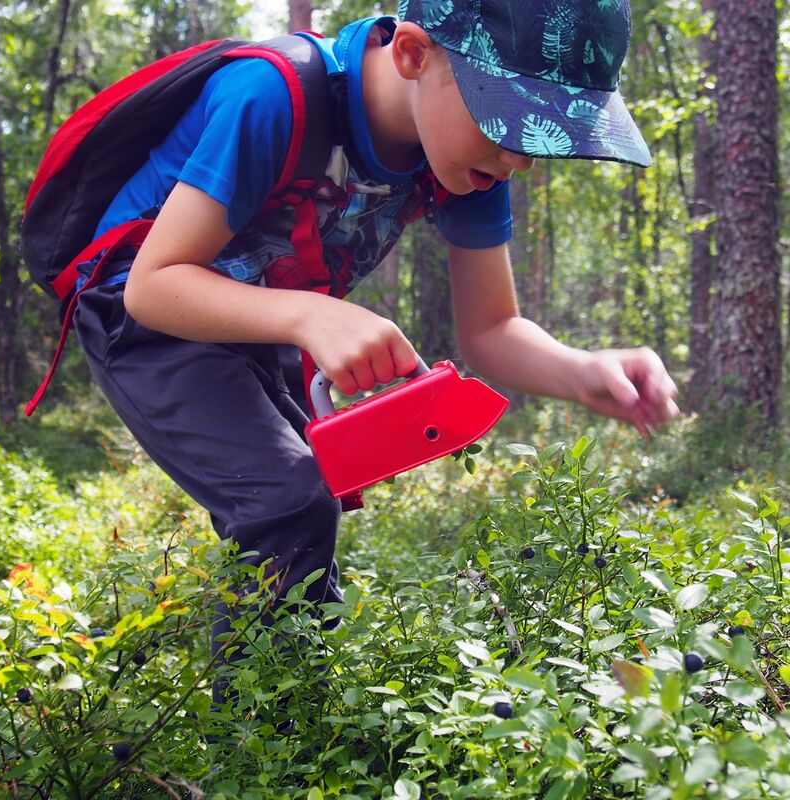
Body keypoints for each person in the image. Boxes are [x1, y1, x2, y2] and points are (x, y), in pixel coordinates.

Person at [71, 0, 680, 712]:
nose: (518, 155)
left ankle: (307, 708)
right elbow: (154, 285)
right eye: (506, 119)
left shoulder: (468, 160)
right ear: (414, 54)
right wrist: (312, 314)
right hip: (143, 312)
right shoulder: (274, 97)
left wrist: (583, 371)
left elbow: (491, 329)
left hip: (257, 317)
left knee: (309, 501)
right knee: (286, 498)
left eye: (541, 133)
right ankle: (256, 739)